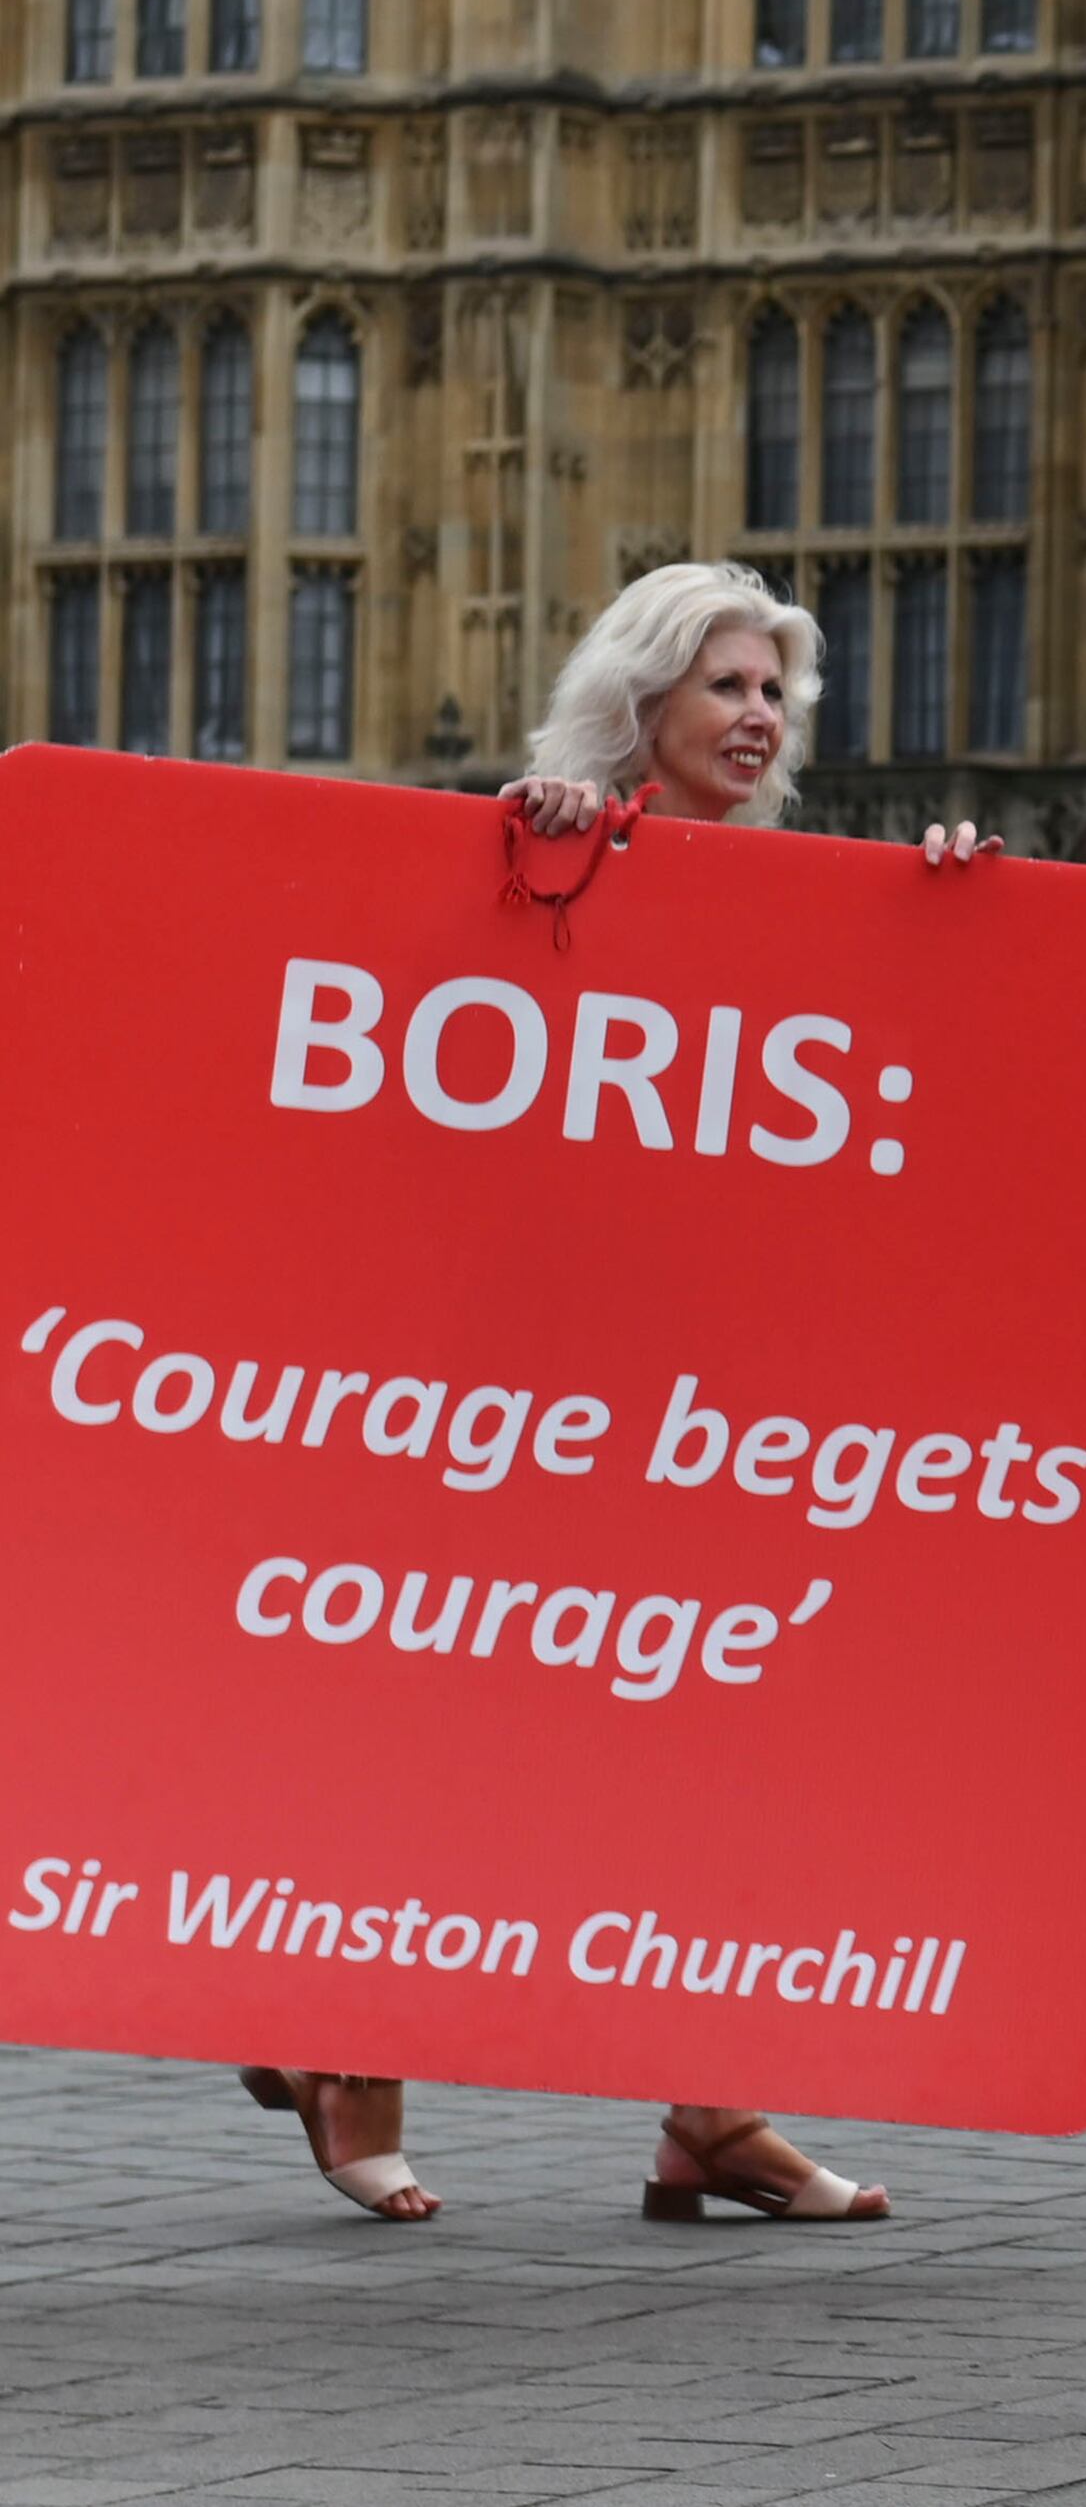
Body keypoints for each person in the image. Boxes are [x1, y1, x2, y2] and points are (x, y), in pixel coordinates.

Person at [238, 561, 986, 2227]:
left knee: (718, 1734)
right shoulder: (542, 847)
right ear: (644, 697)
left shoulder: (796, 892)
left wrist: (960, 912)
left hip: (702, 1399)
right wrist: (534, 838)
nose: (760, 714)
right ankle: (348, 2039)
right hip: (517, 1383)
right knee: (456, 1703)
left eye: (775, 690)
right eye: (727, 683)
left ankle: (710, 2110)